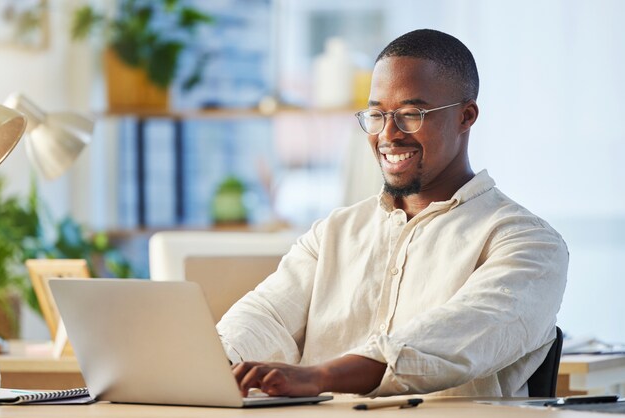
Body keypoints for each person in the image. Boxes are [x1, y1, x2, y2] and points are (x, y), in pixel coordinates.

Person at [216, 29, 568, 398]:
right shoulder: (335, 231)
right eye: (376, 114)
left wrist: (319, 377)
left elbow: (456, 335)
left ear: (466, 116)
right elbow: (265, 316)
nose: (389, 134)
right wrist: (218, 363)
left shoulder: (529, 243)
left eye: (411, 114)